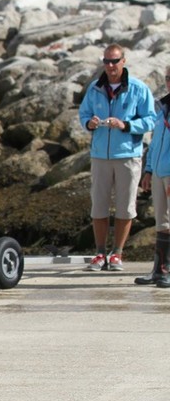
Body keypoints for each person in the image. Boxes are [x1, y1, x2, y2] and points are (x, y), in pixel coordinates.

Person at [79, 45, 156, 271]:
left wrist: (126, 125)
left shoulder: (139, 89)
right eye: (107, 61)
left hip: (128, 156)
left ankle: (117, 254)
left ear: (124, 60)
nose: (110, 66)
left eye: (114, 61)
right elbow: (83, 113)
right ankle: (100, 253)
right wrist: (89, 123)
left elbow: (151, 119)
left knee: (125, 207)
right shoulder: (95, 88)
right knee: (99, 206)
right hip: (100, 155)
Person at [136, 66, 170, 287]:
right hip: (158, 172)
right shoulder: (162, 106)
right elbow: (155, 141)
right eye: (168, 78)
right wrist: (148, 170)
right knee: (162, 222)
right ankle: (159, 269)